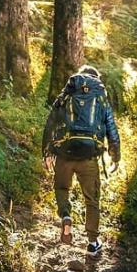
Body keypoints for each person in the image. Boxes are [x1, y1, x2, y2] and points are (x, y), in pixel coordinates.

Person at [42, 65, 120, 255]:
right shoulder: (100, 96)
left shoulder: (68, 93)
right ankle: (93, 242)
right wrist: (115, 154)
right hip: (89, 156)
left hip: (65, 153)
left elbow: (51, 121)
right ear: (96, 78)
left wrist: (46, 151)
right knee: (92, 199)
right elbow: (111, 125)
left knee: (61, 188)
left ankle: (66, 216)